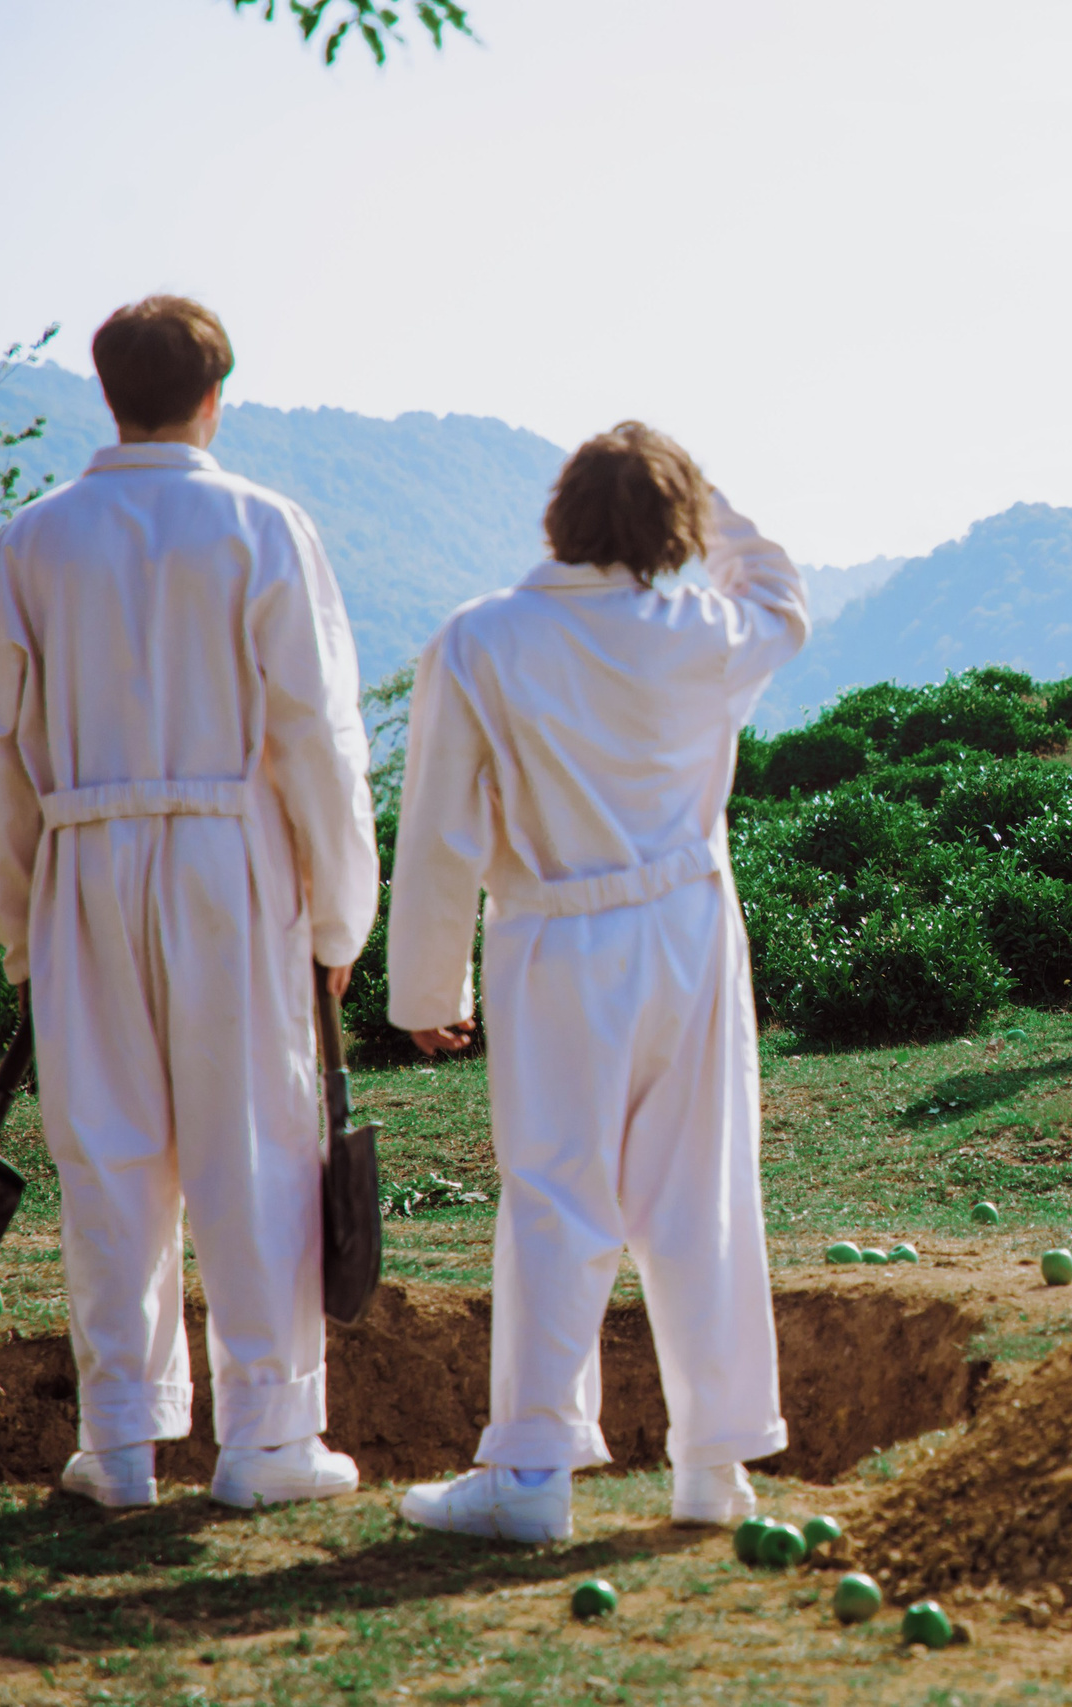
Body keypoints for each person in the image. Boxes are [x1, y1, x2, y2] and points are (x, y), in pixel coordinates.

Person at [0, 296, 380, 1510]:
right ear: (214, 396)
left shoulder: (33, 541)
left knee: (107, 1152)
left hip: (83, 863)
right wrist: (341, 912)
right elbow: (317, 733)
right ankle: (269, 1440)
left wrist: (19, 923)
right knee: (253, 1141)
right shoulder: (263, 525)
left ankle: (120, 1443)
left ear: (108, 395)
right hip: (229, 861)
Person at [387, 422, 808, 1542]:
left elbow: (438, 829)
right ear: (678, 523)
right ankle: (714, 1468)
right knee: (702, 1191)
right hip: (688, 931)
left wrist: (429, 986)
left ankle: (532, 1472)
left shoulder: (481, 639)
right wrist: (704, 496)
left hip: (555, 938)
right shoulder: (704, 630)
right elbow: (782, 596)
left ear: (558, 513)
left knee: (556, 1195)